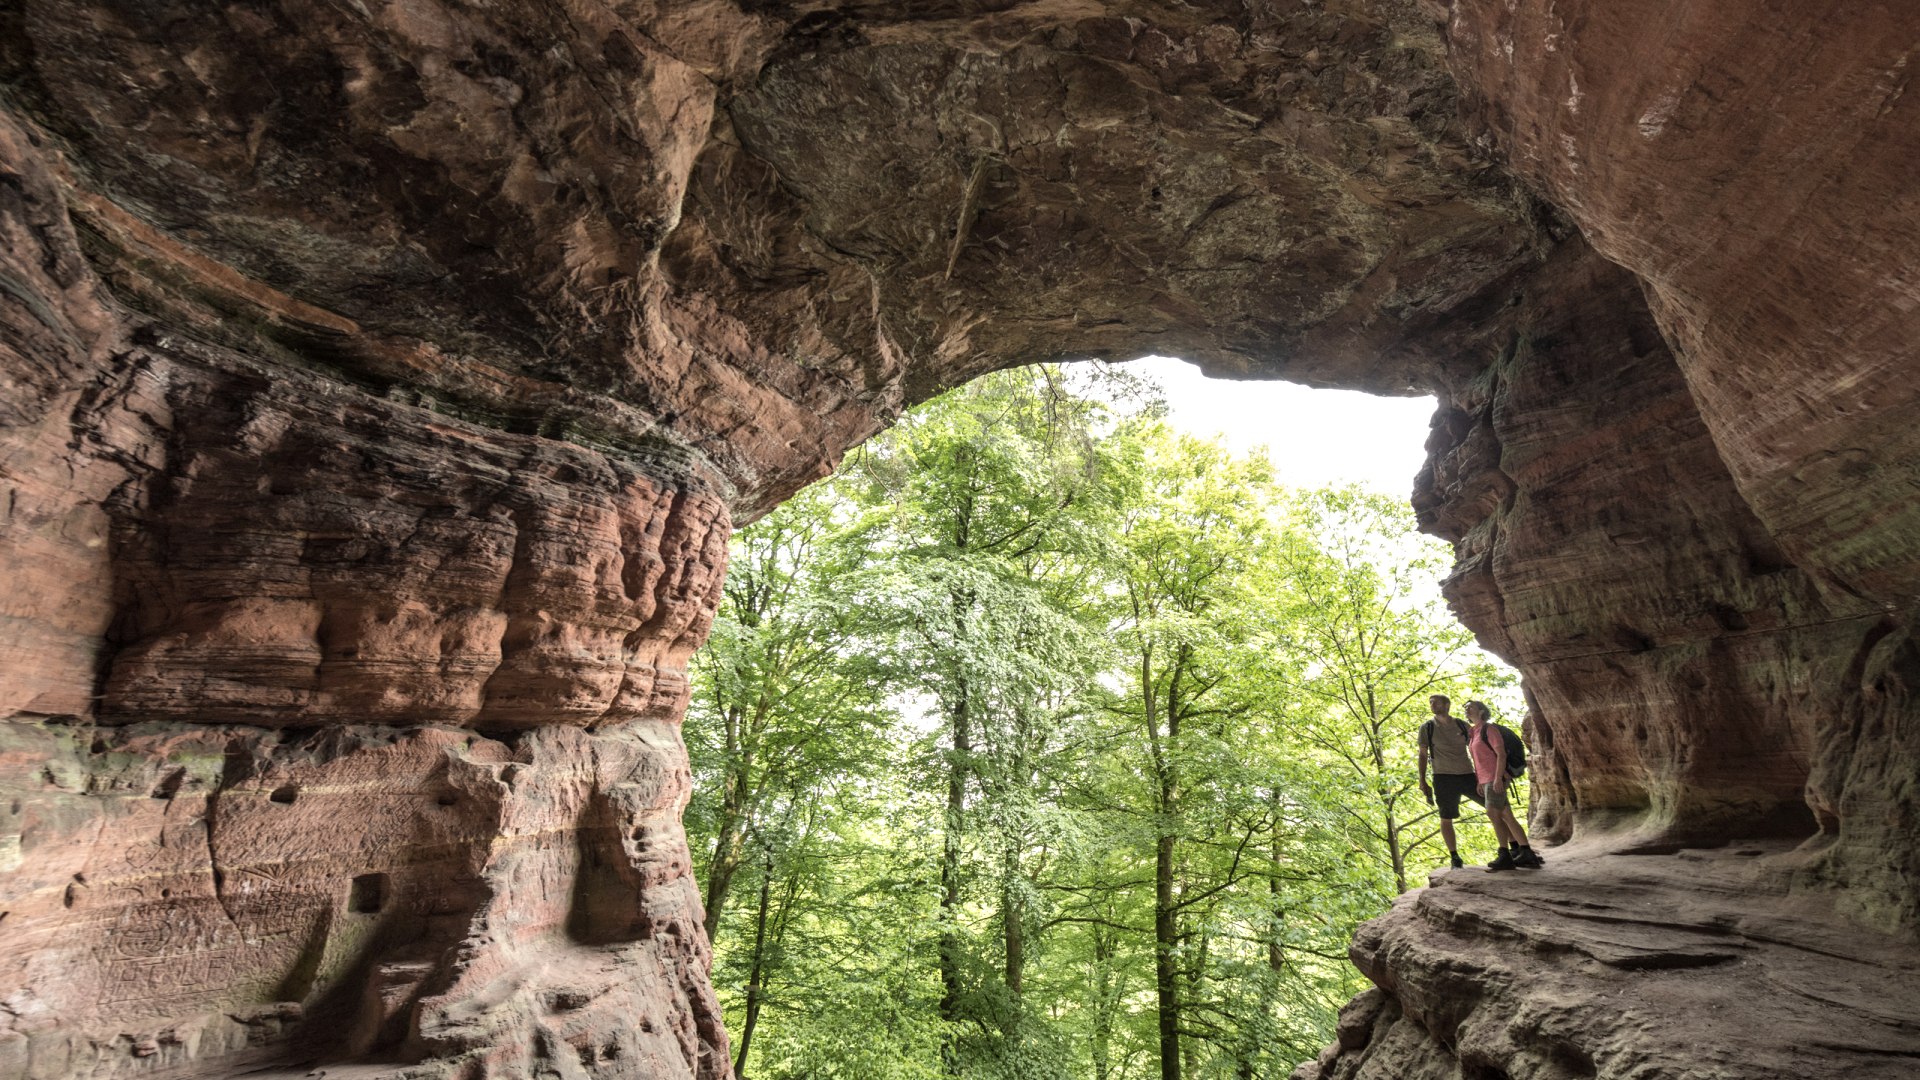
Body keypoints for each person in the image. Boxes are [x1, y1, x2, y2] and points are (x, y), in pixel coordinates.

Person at [1465, 700, 1542, 870]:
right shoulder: (1473, 732)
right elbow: (1477, 760)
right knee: (1506, 815)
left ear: (1482, 711)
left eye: (1471, 707)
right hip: (1486, 780)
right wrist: (1479, 780)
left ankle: (1504, 855)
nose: (1467, 709)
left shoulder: (1488, 729)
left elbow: (1501, 754)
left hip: (1495, 778)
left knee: (1494, 814)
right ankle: (1526, 853)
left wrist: (1499, 778)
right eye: (1466, 708)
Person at [1417, 694, 1483, 869]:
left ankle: (1514, 847)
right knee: (1446, 817)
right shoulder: (1428, 727)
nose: (1432, 705)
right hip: (1443, 776)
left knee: (1494, 806)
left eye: (1435, 702)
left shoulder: (1462, 725)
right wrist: (1422, 779)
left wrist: (1485, 773)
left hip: (1467, 774)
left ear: (1447, 704)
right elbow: (1423, 754)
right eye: (1430, 702)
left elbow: (1477, 747)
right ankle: (1454, 857)